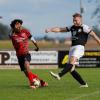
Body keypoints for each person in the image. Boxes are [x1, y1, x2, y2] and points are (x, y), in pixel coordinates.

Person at [45, 13, 100, 87]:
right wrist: (50, 29)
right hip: (72, 48)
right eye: (73, 20)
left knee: (71, 62)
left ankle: (59, 75)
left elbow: (95, 36)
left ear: (80, 19)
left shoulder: (85, 27)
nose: (74, 22)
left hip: (79, 47)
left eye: (76, 20)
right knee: (71, 69)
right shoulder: (72, 27)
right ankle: (83, 84)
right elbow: (60, 29)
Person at [10, 19, 48, 89]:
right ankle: (42, 82)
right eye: (17, 24)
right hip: (19, 56)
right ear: (14, 27)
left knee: (27, 65)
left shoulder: (25, 32)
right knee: (27, 73)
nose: (19, 26)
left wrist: (37, 46)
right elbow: (11, 33)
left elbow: (32, 38)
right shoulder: (12, 35)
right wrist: (13, 28)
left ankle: (32, 84)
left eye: (20, 24)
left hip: (26, 53)